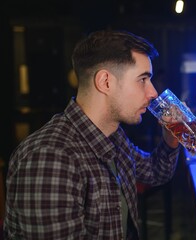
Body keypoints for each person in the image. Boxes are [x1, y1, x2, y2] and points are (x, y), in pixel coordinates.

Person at [4, 30, 180, 239]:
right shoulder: (51, 157)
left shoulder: (113, 135)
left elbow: (154, 172)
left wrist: (171, 139)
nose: (153, 93)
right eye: (142, 79)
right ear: (105, 82)